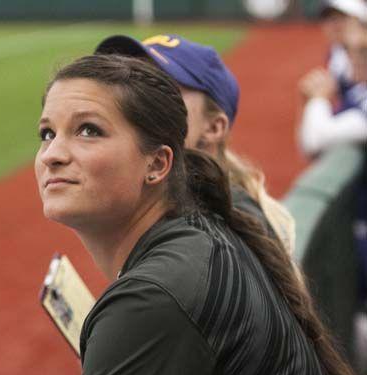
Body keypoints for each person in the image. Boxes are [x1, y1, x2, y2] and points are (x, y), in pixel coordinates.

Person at [35, 54, 366, 375]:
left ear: (157, 165)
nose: (52, 154)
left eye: (88, 131)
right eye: (47, 133)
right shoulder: (206, 232)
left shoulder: (154, 296)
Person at [93, 33, 296, 255]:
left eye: (161, 90)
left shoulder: (221, 233)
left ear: (213, 128)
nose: (138, 104)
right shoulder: (186, 208)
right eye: (132, 87)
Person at [298, 20, 367, 156]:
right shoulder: (358, 91)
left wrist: (318, 99)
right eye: (347, 48)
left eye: (364, 51)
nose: (354, 57)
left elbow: (315, 141)